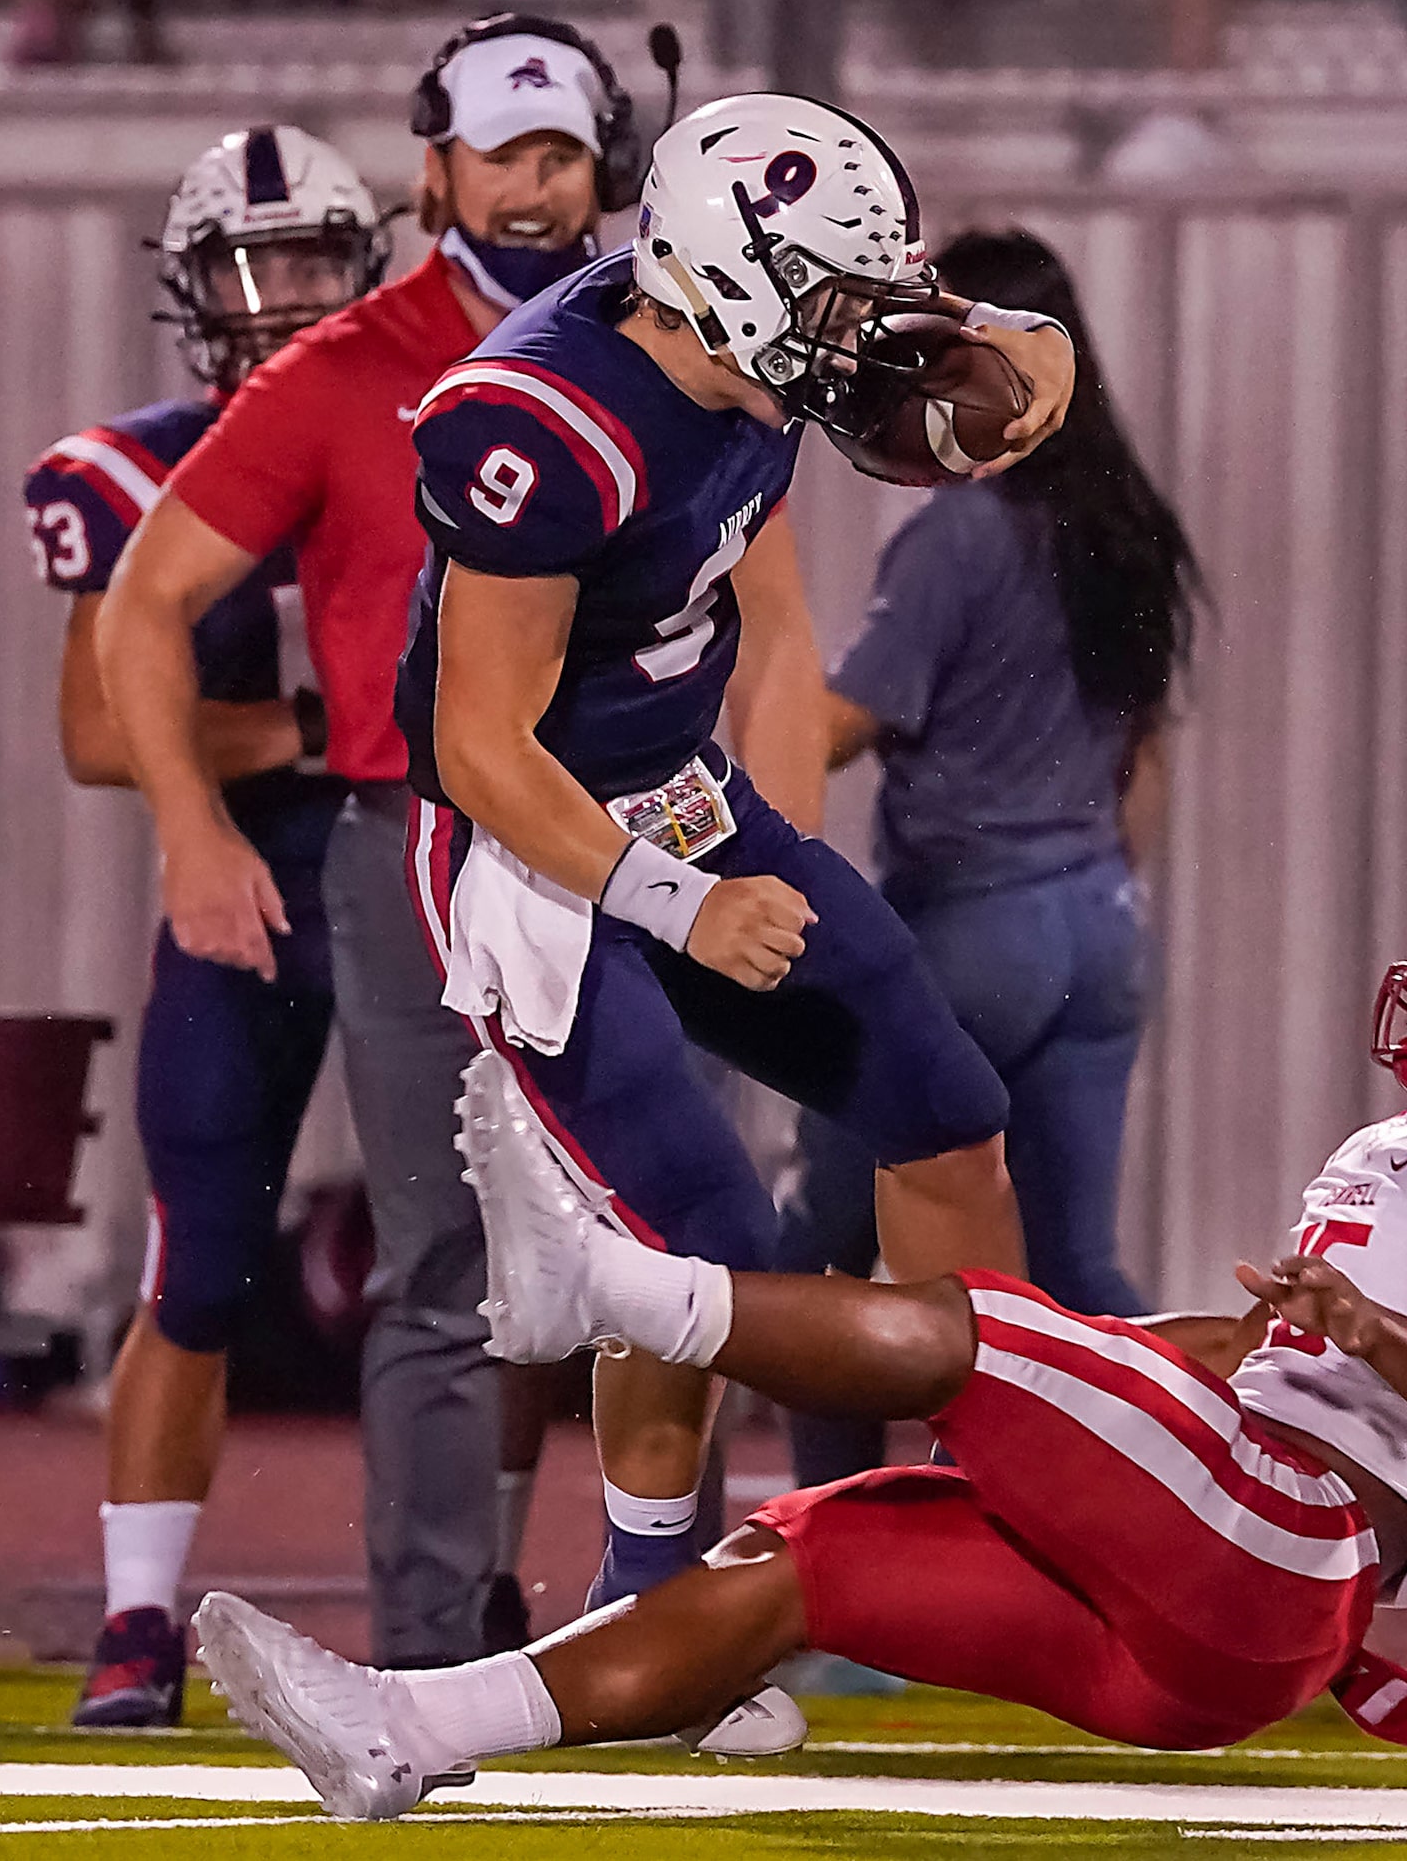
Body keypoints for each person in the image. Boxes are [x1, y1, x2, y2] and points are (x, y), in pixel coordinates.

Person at [197, 854, 1407, 1817]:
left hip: (1294, 1543)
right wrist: (1115, 1373)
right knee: (796, 1557)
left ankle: (597, 1291)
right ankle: (402, 1725)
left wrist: (1344, 1335)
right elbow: (1275, 1352)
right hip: (1229, 1598)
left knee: (978, 1328)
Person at [385, 87, 1074, 1711]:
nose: (865, 330)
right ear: (740, 276)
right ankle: (651, 1610)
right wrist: (679, 908)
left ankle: (1041, 1505)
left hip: (688, 797)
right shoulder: (535, 423)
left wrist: (989, 361)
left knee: (944, 1099)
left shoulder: (750, 368)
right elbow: (475, 743)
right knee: (702, 1232)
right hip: (528, 850)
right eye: (839, 294)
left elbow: (781, 586)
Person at [96, 12, 663, 1674]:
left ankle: (654, 1623)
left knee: (662, 1240)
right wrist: (192, 829)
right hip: (415, 839)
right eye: (509, 153)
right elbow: (147, 605)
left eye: (563, 154)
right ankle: (430, 1657)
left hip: (627, 838)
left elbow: (759, 617)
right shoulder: (342, 366)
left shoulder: (665, 337)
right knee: (439, 1259)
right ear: (439, 170)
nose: (539, 187)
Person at [27, 125, 384, 1728]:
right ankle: (134, 1615)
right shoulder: (129, 465)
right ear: (189, 288)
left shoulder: (436, 428)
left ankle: (489, 1595)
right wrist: (315, 722)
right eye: (254, 262)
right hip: (241, 893)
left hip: (406, 887)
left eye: (313, 259)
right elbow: (100, 735)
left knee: (485, 1269)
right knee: (199, 1264)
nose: (284, 295)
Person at [780, 226, 1198, 1487]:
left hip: (970, 929)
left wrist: (738, 691)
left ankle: (833, 1578)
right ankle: (1170, 1507)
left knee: (823, 1258)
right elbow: (1147, 761)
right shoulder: (1124, 524)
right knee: (1076, 1273)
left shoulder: (960, 534)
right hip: (1101, 929)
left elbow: (851, 723)